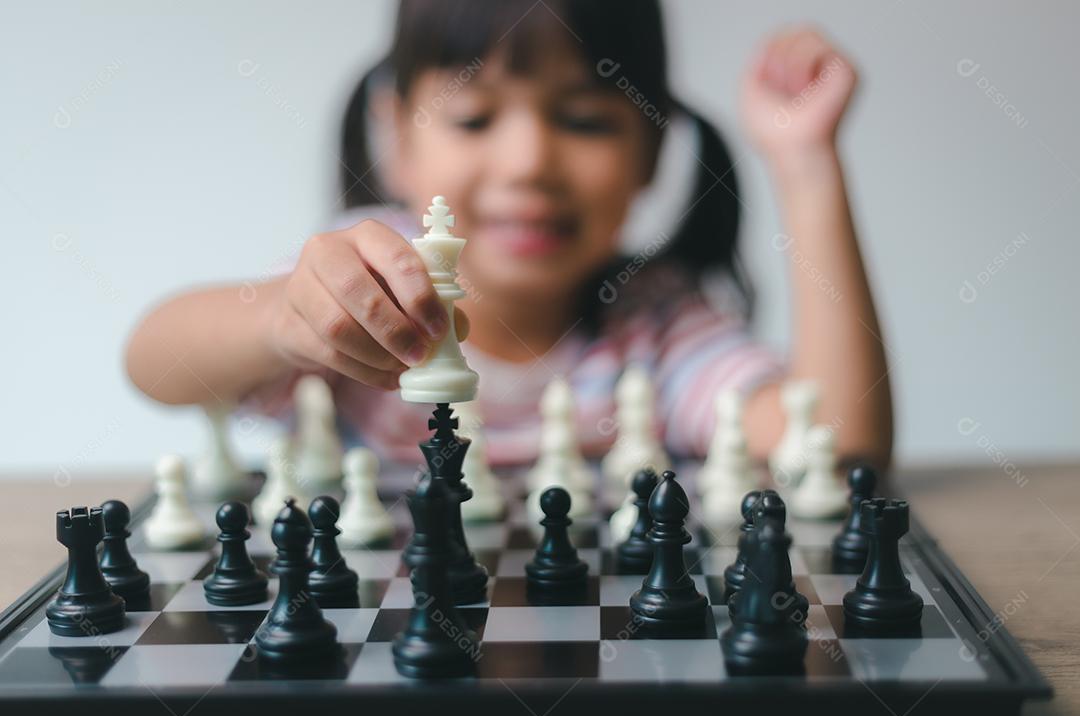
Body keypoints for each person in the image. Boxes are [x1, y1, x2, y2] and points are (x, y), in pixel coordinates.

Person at [125, 0, 892, 469]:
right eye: (473, 115)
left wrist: (806, 165)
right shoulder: (357, 286)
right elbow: (153, 360)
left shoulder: (655, 324)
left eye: (586, 118)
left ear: (651, 150)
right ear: (395, 134)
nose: (529, 164)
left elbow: (838, 443)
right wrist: (279, 322)